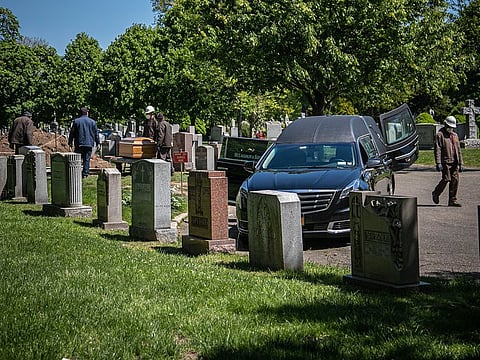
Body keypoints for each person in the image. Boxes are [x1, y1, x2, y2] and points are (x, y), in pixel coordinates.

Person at [432, 115, 463, 207]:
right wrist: (438, 163)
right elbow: (437, 149)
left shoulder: (455, 135)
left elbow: (458, 150)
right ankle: (436, 193)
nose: (451, 129)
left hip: (455, 162)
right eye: (449, 127)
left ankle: (452, 200)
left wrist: (461, 163)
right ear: (445, 125)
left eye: (452, 127)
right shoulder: (439, 135)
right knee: (446, 179)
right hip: (445, 161)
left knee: (455, 180)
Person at [68, 107, 100, 178]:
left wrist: (70, 142)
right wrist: (98, 143)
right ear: (87, 113)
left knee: (78, 159)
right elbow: (96, 133)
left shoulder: (76, 121)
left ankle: (77, 172)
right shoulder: (92, 122)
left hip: (79, 143)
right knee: (86, 159)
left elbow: (72, 133)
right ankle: (85, 174)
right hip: (89, 143)